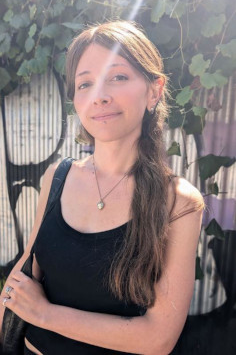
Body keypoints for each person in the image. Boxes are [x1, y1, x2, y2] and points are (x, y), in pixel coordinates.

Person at [0, 20, 204, 355]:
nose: (100, 96)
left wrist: (45, 314)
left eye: (118, 77)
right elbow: (24, 275)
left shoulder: (178, 203)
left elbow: (158, 338)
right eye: (85, 84)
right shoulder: (57, 177)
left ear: (154, 90)